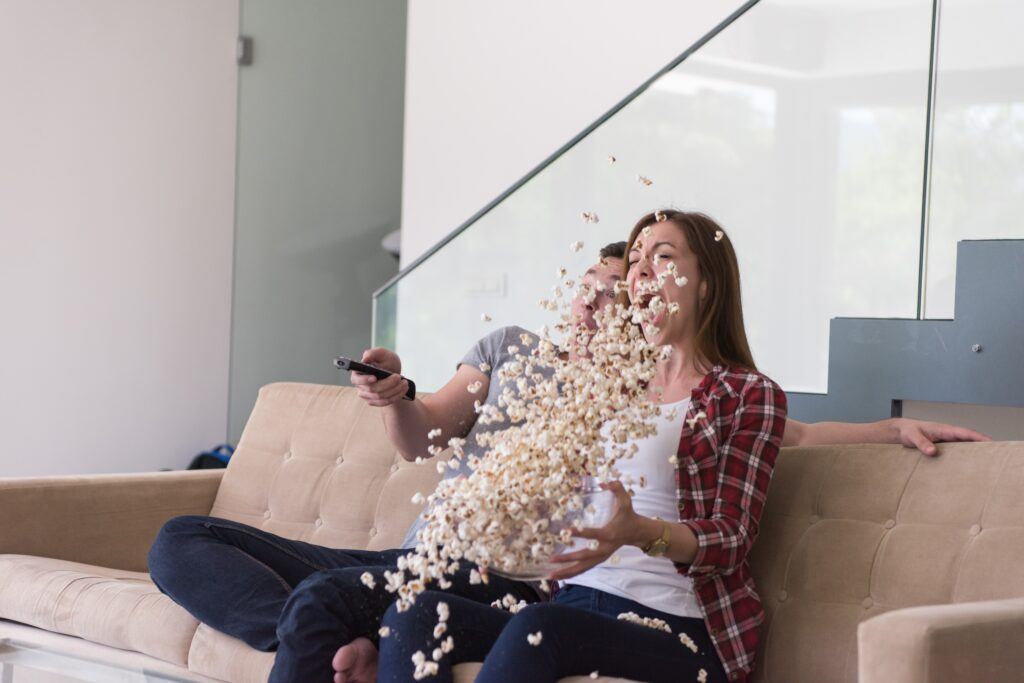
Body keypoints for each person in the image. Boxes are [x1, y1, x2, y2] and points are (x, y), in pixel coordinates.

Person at [147, 239, 987, 683]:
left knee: (332, 600)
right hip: (418, 553)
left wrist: (883, 429)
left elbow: (763, 436)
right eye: (590, 278)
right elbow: (427, 425)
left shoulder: (626, 390)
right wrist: (394, 394)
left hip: (493, 573)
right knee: (180, 538)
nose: (595, 294)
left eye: (618, 291)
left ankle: (338, 616)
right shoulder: (513, 348)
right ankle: (339, 619)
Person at [371, 211, 985, 683]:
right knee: (414, 612)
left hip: (680, 625)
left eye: (661, 256)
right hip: (574, 599)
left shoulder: (743, 393)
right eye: (635, 259)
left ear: (705, 283)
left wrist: (639, 531)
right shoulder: (608, 387)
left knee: (539, 629)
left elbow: (732, 537)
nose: (639, 271)